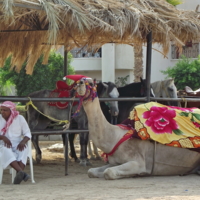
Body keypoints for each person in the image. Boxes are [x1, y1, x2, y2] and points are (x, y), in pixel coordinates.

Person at [0, 101, 31, 184]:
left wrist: (23, 142)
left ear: (11, 111)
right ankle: (22, 173)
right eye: (1, 110)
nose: (2, 112)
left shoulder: (20, 118)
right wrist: (3, 137)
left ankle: (20, 174)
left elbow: (28, 133)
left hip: (18, 143)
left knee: (24, 149)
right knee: (5, 150)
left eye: (5, 110)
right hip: (3, 144)